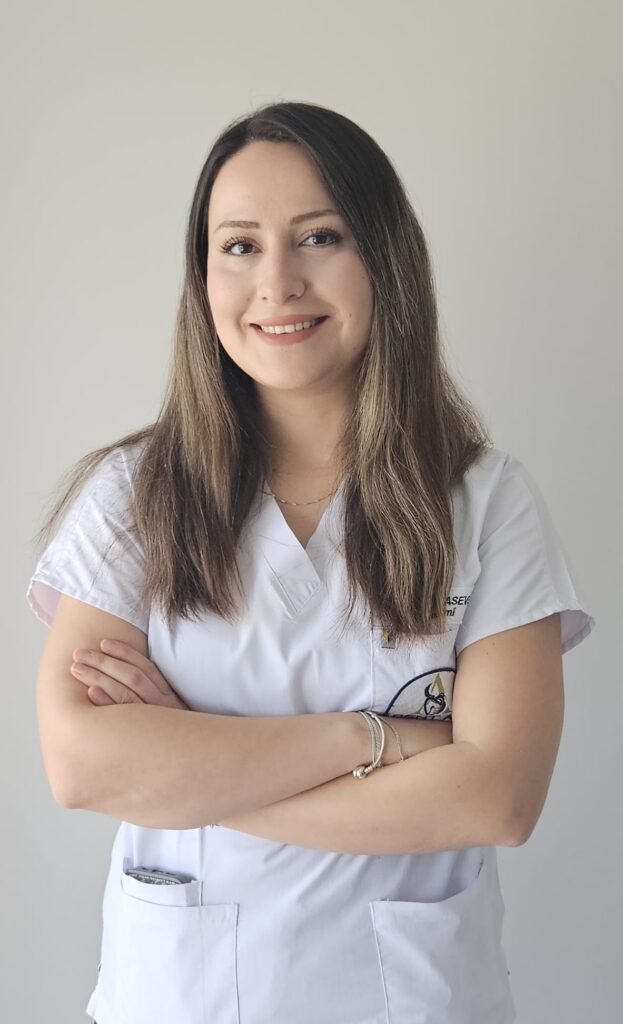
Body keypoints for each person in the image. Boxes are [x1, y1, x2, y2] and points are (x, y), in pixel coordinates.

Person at [27, 101, 595, 1024]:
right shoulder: (134, 494)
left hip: (410, 1001)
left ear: (385, 258)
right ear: (202, 277)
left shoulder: (486, 501)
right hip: (181, 999)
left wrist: (190, 768)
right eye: (239, 246)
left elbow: (496, 798)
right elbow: (83, 767)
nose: (276, 282)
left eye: (319, 237)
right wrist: (374, 741)